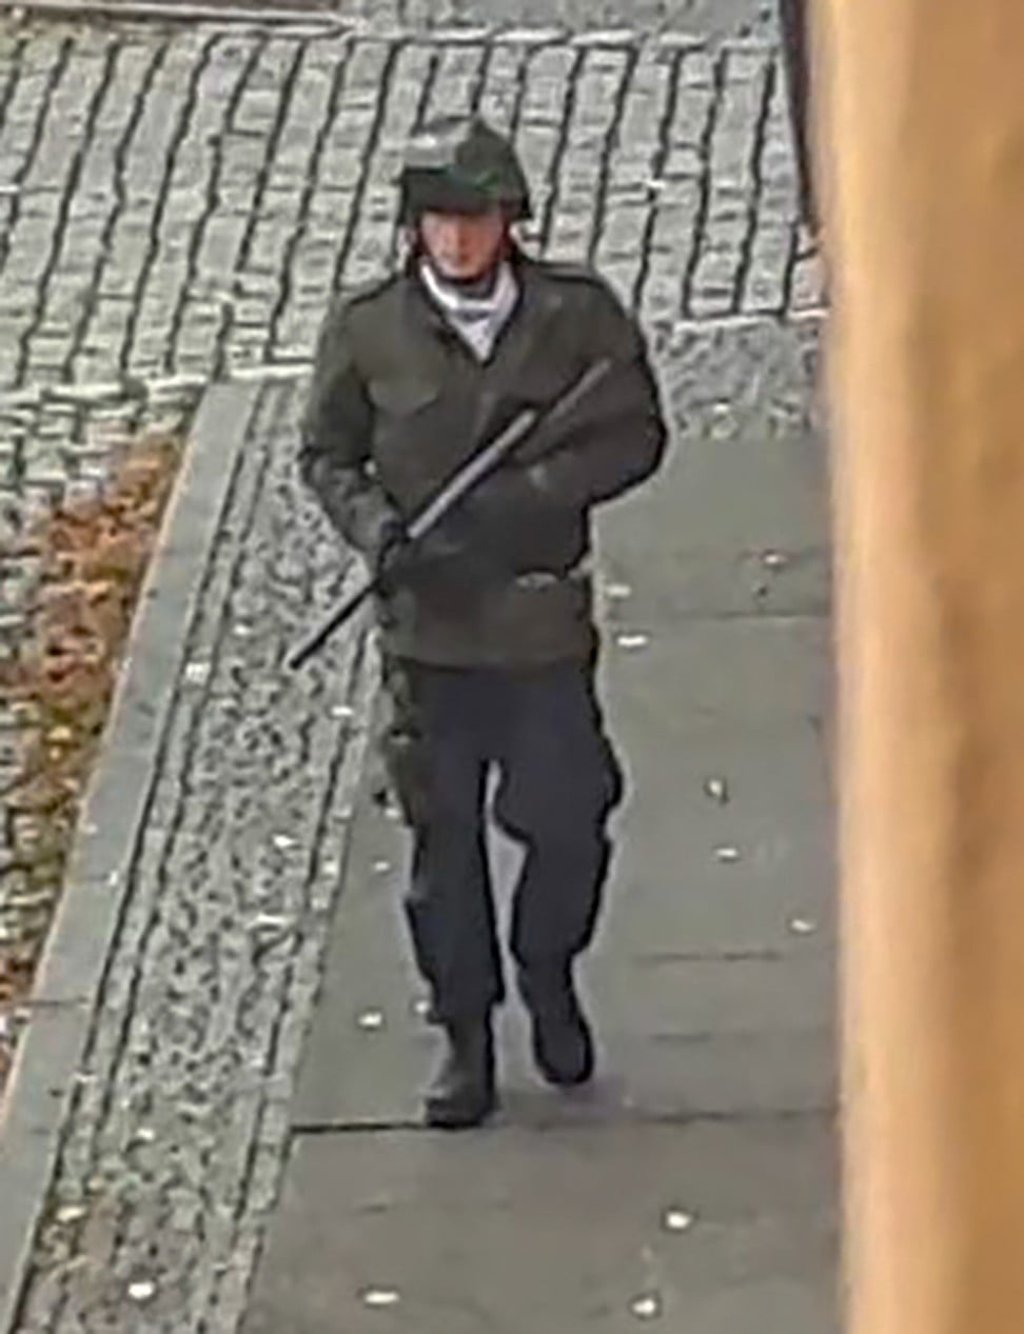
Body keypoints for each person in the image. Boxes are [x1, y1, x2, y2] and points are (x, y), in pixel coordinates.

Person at [300, 116, 669, 1130]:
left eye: (474, 219)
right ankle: (465, 1026)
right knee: (441, 845)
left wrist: (534, 493)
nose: (457, 242)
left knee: (568, 816)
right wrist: (380, 531)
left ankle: (547, 969)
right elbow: (327, 454)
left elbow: (636, 431)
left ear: (510, 220)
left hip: (540, 622)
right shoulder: (369, 330)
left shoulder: (576, 318)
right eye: (438, 222)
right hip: (429, 633)